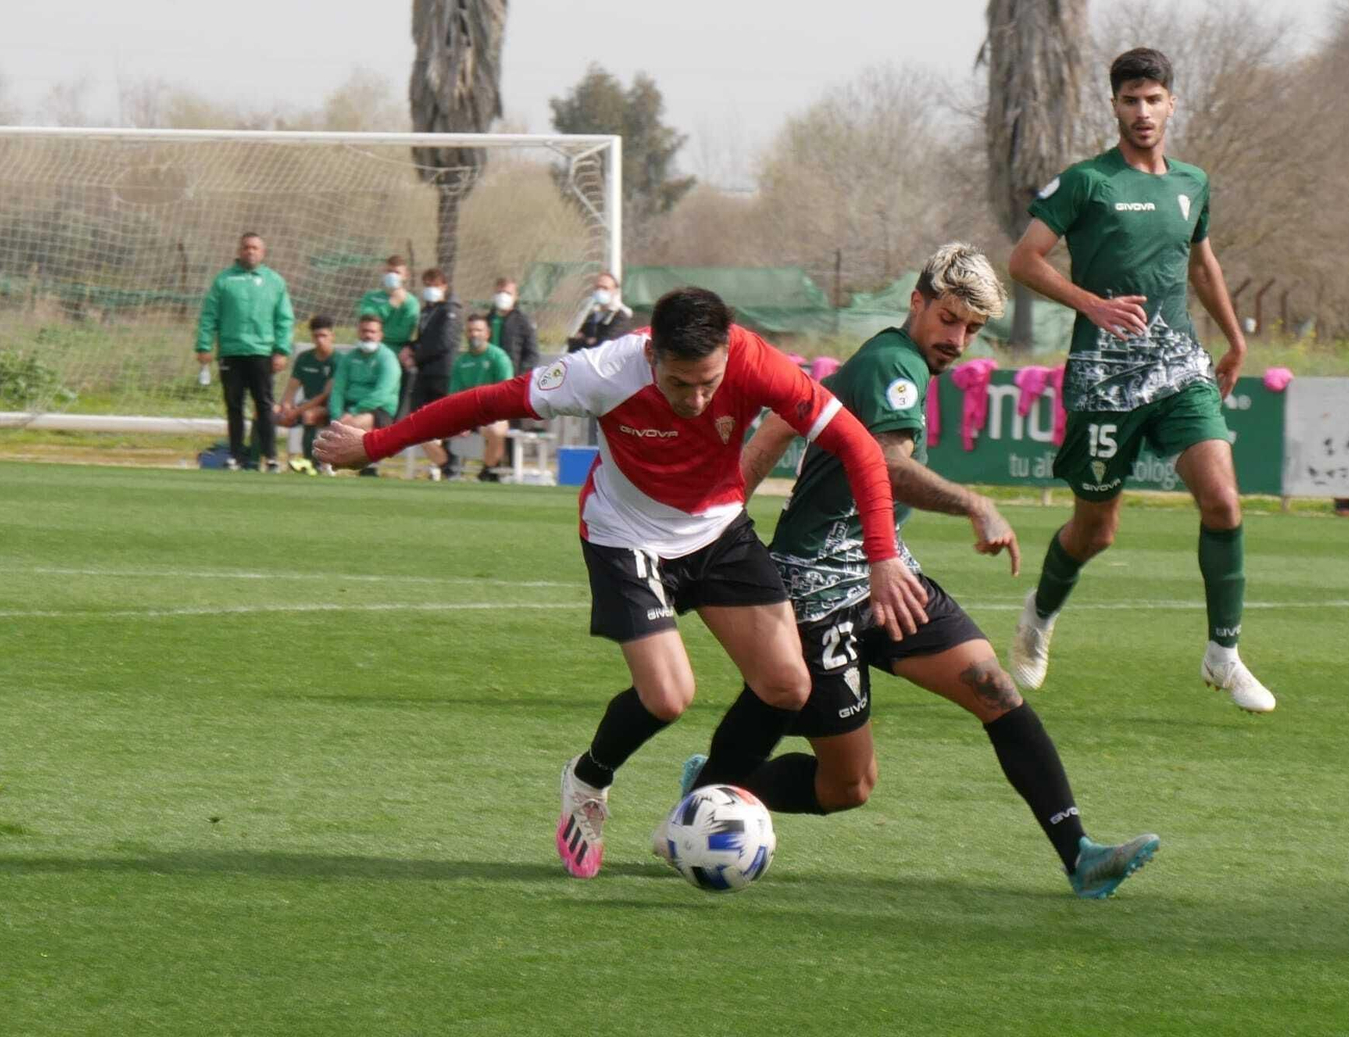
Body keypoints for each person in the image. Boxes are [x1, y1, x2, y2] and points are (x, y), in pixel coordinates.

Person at [314, 287, 929, 880]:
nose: (694, 399)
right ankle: (589, 778)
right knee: (668, 697)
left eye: (708, 384)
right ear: (651, 354)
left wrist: (883, 558)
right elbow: (487, 403)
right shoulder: (603, 370)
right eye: (678, 383)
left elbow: (859, 447)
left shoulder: (757, 361)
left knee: (787, 686)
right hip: (625, 537)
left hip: (717, 531)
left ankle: (698, 810)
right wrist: (373, 444)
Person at [683, 244, 1159, 900]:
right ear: (917, 302)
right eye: (948, 318)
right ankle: (717, 790)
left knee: (994, 688)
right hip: (819, 589)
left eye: (972, 328)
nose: (957, 338)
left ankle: (1079, 854)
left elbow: (777, 434)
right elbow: (888, 462)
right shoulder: (891, 363)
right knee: (848, 786)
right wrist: (975, 503)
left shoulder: (887, 359)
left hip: (888, 577)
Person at [1005, 47, 1275, 713]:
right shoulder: (1086, 182)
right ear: (1115, 106)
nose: (1143, 112)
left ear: (1171, 103)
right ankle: (1039, 616)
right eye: (1130, 100)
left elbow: (1202, 265)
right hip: (1104, 377)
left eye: (1153, 99)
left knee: (1224, 502)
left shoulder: (1191, 182)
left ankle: (1224, 655)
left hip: (1180, 367)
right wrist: (1091, 303)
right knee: (1096, 531)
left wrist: (1235, 338)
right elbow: (1023, 259)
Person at [195, 232, 294, 472]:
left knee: (264, 406)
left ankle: (270, 457)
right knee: (234, 405)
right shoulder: (224, 281)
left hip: (262, 353)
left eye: (255, 248)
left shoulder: (274, 281)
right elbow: (209, 315)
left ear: (263, 252)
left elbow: (284, 319)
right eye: (247, 247)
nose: (251, 251)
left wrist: (281, 350)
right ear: (240, 251)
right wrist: (204, 345)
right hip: (232, 352)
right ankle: (236, 456)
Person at [407, 268, 464, 481]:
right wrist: (410, 348)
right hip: (424, 373)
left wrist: (416, 356)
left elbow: (442, 343)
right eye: (427, 284)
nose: (430, 289)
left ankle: (447, 465)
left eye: (434, 284)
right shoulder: (427, 310)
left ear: (444, 286)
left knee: (439, 423)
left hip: (442, 374)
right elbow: (423, 338)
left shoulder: (451, 311)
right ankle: (447, 464)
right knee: (417, 422)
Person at [329, 315, 402, 477]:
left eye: (372, 331)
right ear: (358, 332)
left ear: (380, 335)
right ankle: (311, 462)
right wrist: (336, 415)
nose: (368, 335)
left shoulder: (387, 359)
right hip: (349, 407)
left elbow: (381, 394)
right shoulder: (349, 358)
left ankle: (363, 467)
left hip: (379, 409)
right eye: (364, 331)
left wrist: (353, 412)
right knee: (314, 417)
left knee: (353, 424)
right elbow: (337, 389)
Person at [448, 313, 514, 479]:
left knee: (495, 430)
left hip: (494, 413)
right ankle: (449, 470)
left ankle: (488, 471)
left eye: (478, 330)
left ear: (487, 333)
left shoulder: (498, 357)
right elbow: (454, 397)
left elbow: (505, 393)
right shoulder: (461, 361)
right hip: (469, 413)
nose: (474, 334)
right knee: (428, 431)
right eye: (470, 330)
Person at [276, 314, 341, 475]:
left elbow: (324, 396)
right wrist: (285, 405)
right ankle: (258, 461)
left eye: (324, 336)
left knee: (308, 415)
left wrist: (295, 411)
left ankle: (311, 463)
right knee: (264, 413)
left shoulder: (338, 360)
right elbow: (291, 387)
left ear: (332, 336)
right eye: (316, 336)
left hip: (329, 409)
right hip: (304, 406)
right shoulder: (304, 358)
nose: (320, 340)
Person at [358, 255, 420, 417]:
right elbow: (366, 321)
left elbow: (402, 333)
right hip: (367, 351)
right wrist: (391, 304)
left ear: (406, 276)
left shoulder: (411, 302)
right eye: (389, 271)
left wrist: (379, 323)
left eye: (397, 272)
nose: (392, 275)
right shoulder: (371, 297)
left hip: (396, 354)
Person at [485, 276, 540, 377]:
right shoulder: (487, 320)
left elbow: (532, 355)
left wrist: (518, 376)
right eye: (499, 292)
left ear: (516, 296)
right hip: (488, 377)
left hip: (511, 379)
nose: (503, 296)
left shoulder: (523, 322)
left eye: (508, 293)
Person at [567, 271, 634, 352]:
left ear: (615, 291)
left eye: (605, 288)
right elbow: (572, 346)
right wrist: (588, 341)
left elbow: (603, 347)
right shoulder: (591, 317)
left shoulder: (620, 317)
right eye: (597, 287)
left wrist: (584, 340)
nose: (600, 291)